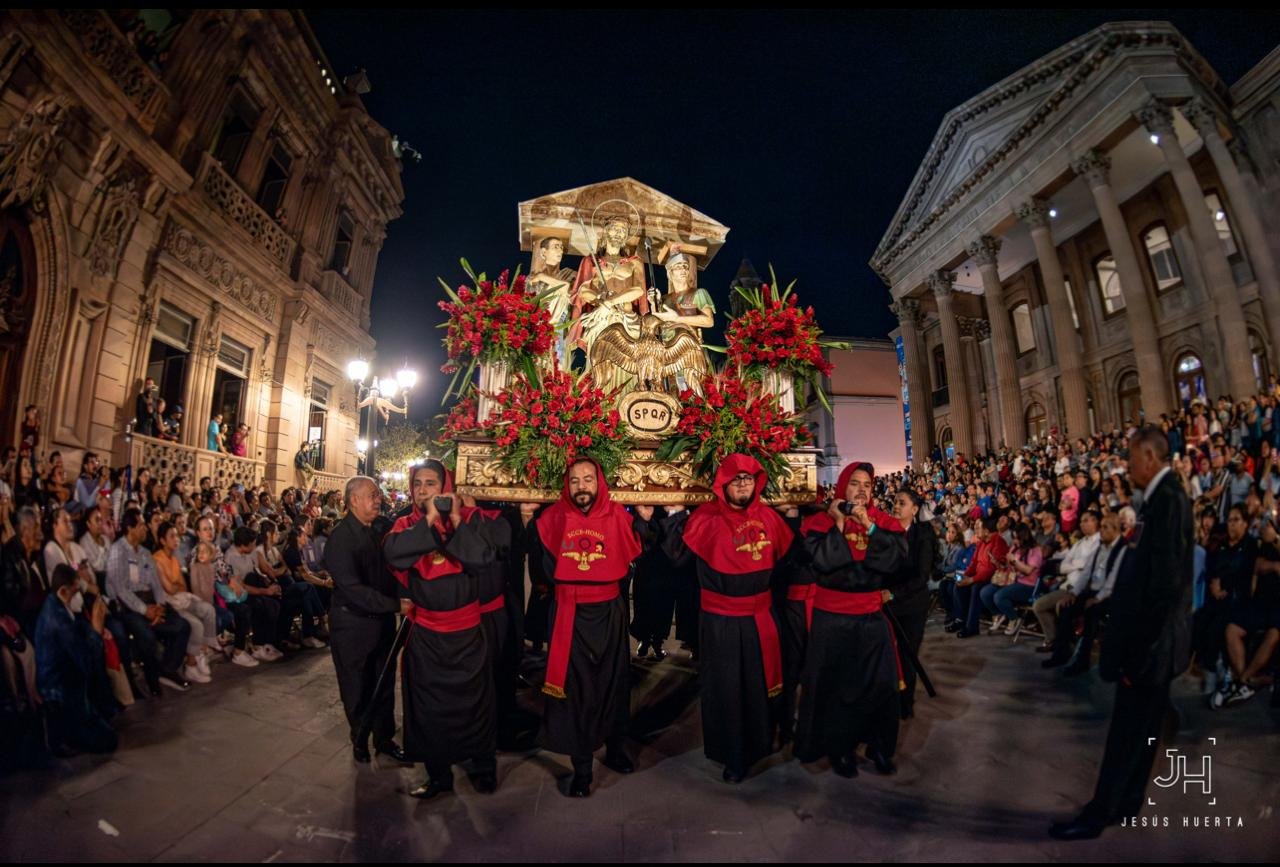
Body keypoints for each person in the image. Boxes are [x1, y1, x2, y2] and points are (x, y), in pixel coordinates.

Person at [1050, 427, 1193, 841]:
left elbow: (1165, 586)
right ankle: (1128, 802)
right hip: (1154, 644)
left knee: (1128, 732)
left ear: (1149, 456)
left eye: (1131, 459)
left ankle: (1099, 813)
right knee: (1145, 729)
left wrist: (1138, 649)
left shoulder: (1168, 500)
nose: (1126, 467)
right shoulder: (1161, 498)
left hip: (1150, 646)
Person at [662, 454, 794, 783]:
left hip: (760, 616)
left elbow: (788, 562)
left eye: (748, 478)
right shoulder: (705, 517)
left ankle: (760, 744)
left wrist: (794, 517)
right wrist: (674, 515)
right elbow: (677, 557)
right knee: (726, 689)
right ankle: (732, 754)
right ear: (723, 483)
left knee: (758, 685)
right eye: (736, 479)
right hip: (720, 621)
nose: (743, 484)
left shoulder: (769, 516)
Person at [384, 460, 509, 799]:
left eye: (431, 483)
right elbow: (394, 555)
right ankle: (438, 775)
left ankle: (484, 767)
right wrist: (427, 522)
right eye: (418, 484)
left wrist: (453, 519)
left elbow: (483, 559)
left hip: (468, 632)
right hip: (427, 636)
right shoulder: (406, 524)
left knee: (478, 705)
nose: (423, 490)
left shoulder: (467, 521)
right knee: (428, 710)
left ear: (446, 487)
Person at [528, 458, 645, 797]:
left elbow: (638, 556)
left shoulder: (620, 516)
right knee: (574, 690)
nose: (582, 486)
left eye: (588, 479)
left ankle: (615, 747)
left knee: (613, 682)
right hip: (569, 614)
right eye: (575, 480)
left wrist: (648, 522)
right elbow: (544, 569)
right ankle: (581, 767)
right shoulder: (551, 519)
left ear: (600, 482)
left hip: (609, 611)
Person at [793, 461, 906, 777]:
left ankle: (880, 748)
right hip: (832, 618)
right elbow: (825, 562)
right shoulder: (820, 522)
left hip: (871, 616)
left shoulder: (882, 522)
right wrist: (840, 522)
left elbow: (895, 561)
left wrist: (868, 524)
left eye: (867, 485)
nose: (861, 489)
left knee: (882, 687)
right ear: (843, 486)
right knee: (838, 688)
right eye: (855, 483)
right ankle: (840, 749)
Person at [326, 476, 407, 764]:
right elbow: (354, 590)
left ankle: (383, 739)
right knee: (356, 686)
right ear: (354, 500)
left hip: (382, 622)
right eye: (372, 495)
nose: (378, 499)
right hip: (354, 626)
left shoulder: (380, 528)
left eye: (378, 495)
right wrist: (397, 604)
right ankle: (359, 739)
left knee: (384, 684)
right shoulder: (340, 538)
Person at [105, 509, 192, 695]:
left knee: (182, 626)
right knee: (147, 636)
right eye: (141, 525)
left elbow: (155, 585)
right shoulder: (117, 551)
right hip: (129, 606)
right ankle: (153, 682)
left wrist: (159, 607)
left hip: (151, 603)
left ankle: (167, 669)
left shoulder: (144, 552)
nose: (145, 529)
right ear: (129, 528)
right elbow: (121, 590)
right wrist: (145, 611)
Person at [34, 564, 118, 755]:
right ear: (63, 591)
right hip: (61, 691)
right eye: (73, 592)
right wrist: (96, 631)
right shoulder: (58, 619)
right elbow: (85, 660)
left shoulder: (55, 604)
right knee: (107, 741)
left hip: (69, 681)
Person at [1042, 513, 1127, 676]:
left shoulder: (1122, 548)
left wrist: (1097, 598)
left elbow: (1113, 579)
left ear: (1116, 530)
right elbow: (1086, 573)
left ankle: (1082, 661)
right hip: (1092, 591)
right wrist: (1073, 593)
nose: (1101, 530)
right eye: (1101, 526)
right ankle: (1061, 653)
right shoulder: (1101, 547)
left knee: (1091, 615)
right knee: (1066, 609)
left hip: (1111, 595)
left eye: (1105, 527)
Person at [885, 488, 934, 719]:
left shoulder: (923, 534)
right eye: (895, 502)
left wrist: (893, 593)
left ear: (914, 510)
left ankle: (905, 704)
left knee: (907, 655)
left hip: (912, 604)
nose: (896, 506)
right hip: (888, 604)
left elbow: (921, 576)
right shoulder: (888, 533)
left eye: (902, 503)